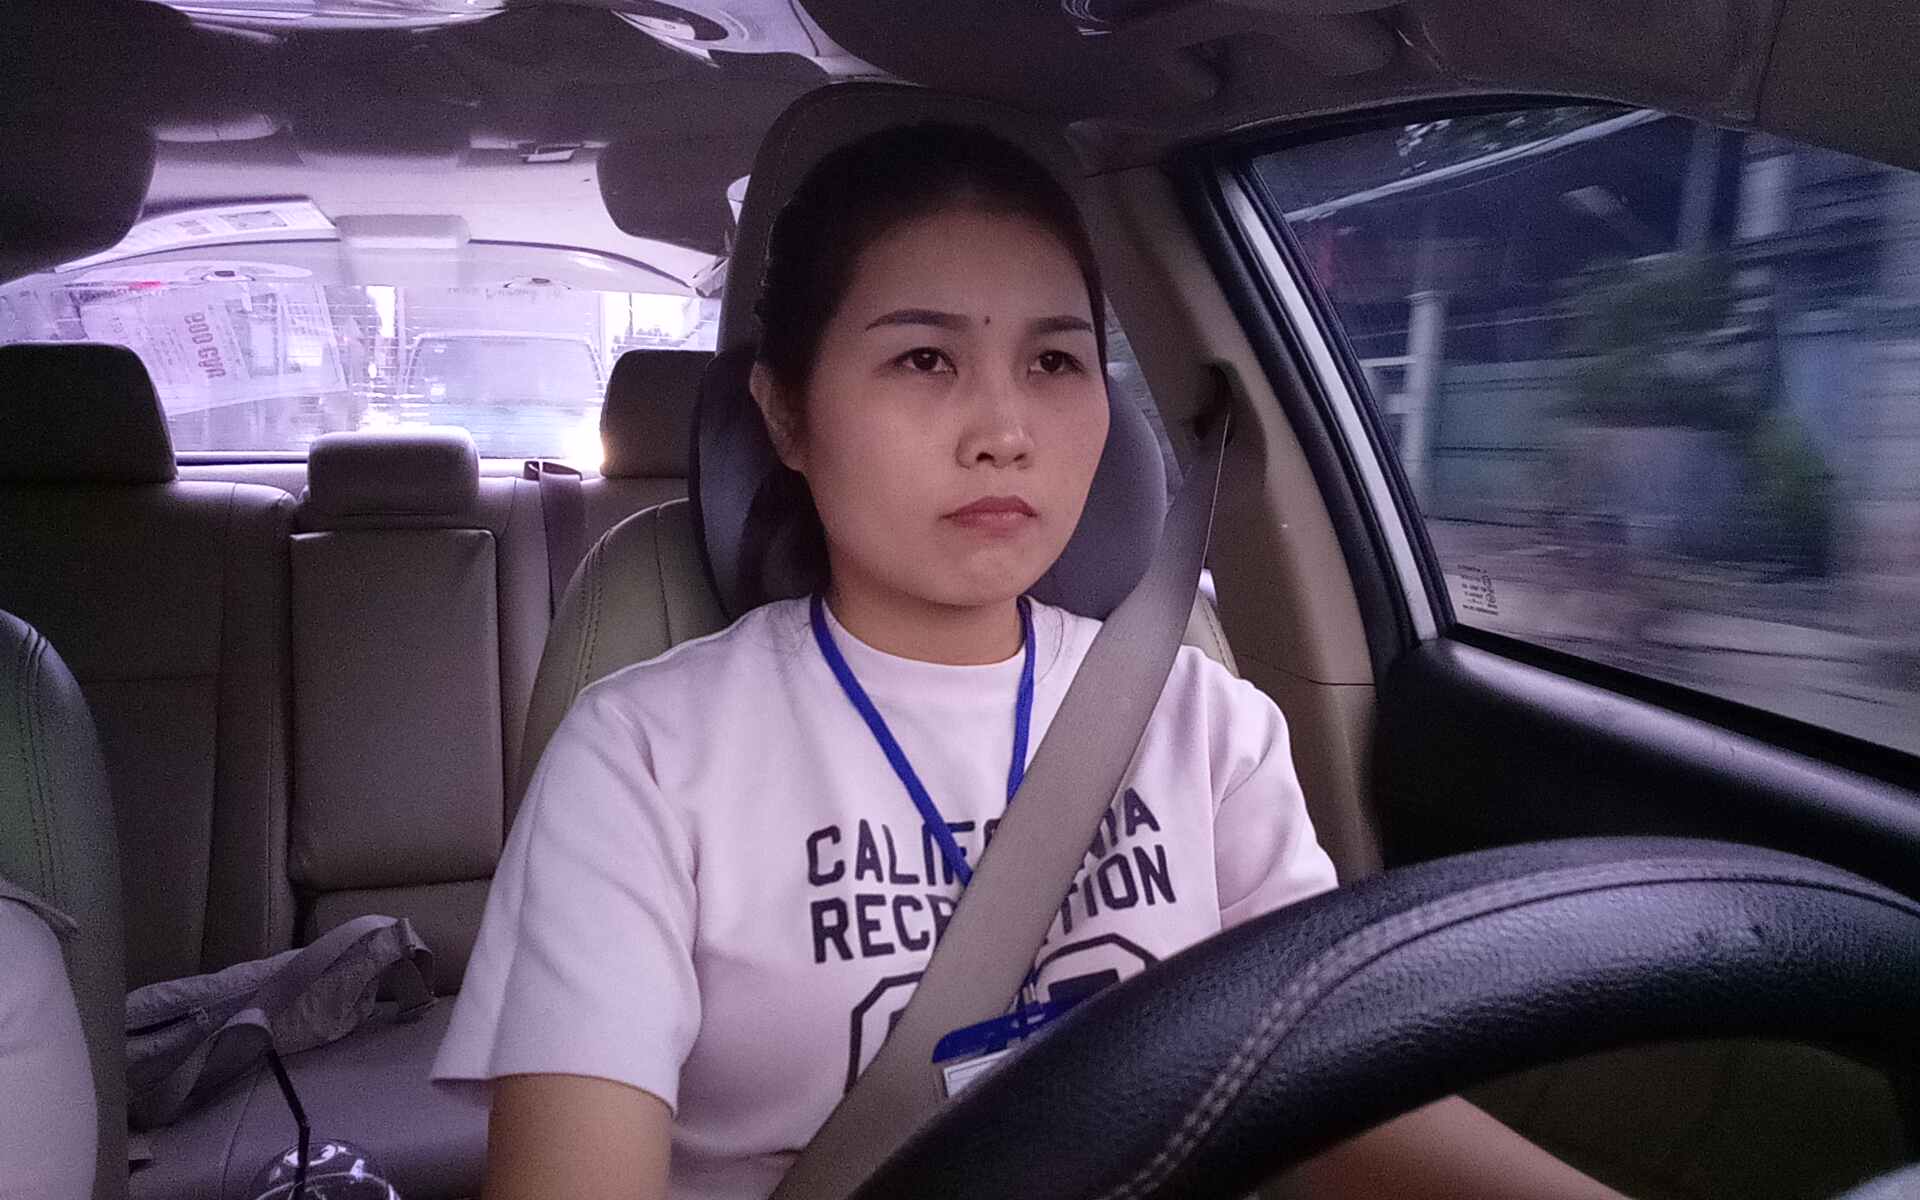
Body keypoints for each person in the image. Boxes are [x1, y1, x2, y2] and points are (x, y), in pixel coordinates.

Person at [432, 123, 1625, 1200]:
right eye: (924, 359)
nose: (1005, 431)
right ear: (787, 414)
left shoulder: (1203, 722)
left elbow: (1339, 1084)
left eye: (1055, 362)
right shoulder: (643, 756)